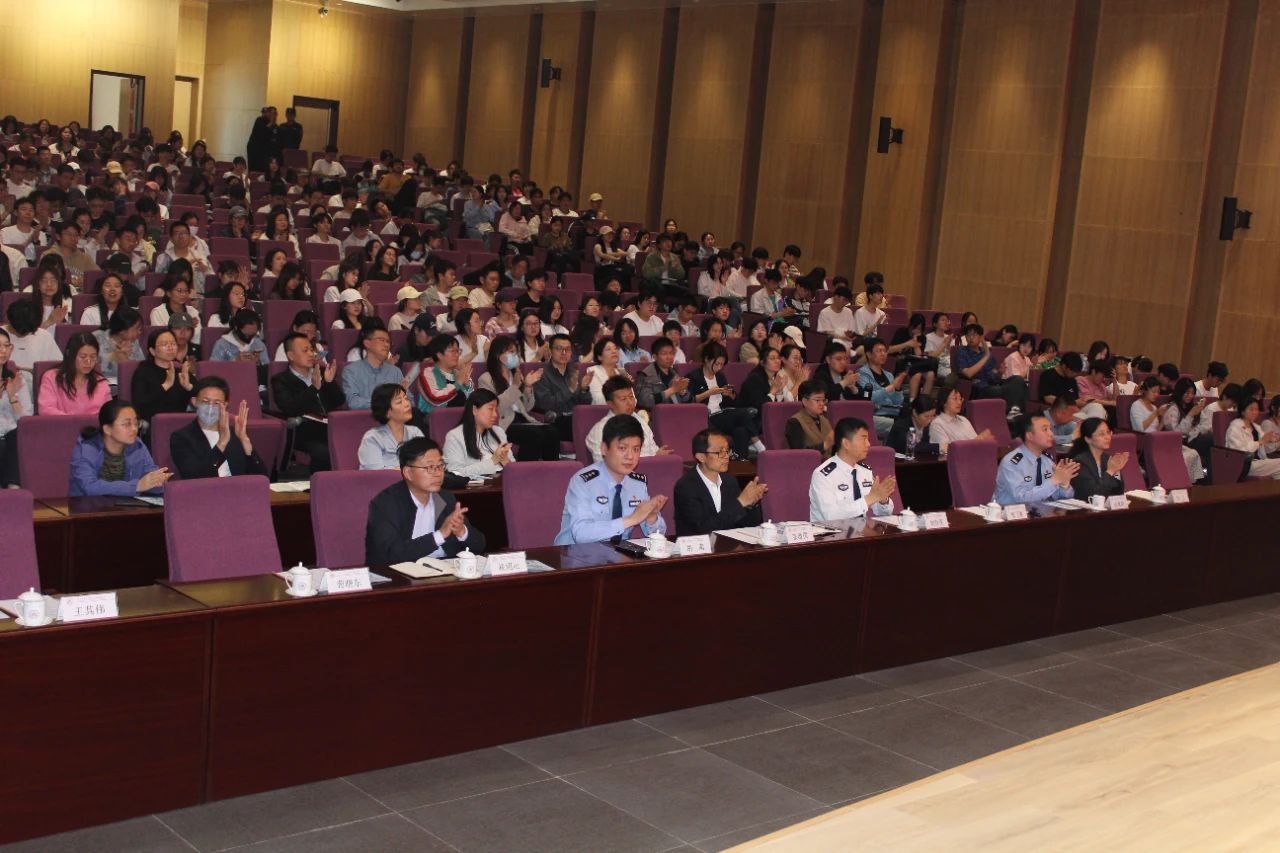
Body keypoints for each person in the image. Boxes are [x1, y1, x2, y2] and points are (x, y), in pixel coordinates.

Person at [365, 437, 487, 563]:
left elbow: (479, 546)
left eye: (440, 466)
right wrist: (439, 535)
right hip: (403, 571)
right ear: (408, 472)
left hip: (445, 570)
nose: (438, 473)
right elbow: (390, 554)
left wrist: (462, 532)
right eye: (429, 467)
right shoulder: (386, 503)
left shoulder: (444, 498)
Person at [554, 415, 668, 545]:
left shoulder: (637, 483)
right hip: (574, 553)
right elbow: (580, 533)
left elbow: (659, 534)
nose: (630, 456)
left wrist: (651, 516)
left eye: (636, 449)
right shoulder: (584, 481)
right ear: (604, 448)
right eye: (622, 448)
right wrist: (631, 519)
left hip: (616, 554)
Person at [270, 332, 345, 472]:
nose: (311, 354)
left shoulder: (321, 372)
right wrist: (313, 388)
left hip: (333, 427)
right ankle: (322, 484)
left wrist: (329, 383)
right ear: (291, 355)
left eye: (312, 349)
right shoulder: (281, 380)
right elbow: (290, 408)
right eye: (305, 351)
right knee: (325, 452)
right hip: (305, 431)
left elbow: (339, 401)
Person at [477, 336, 559, 460]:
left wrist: (528, 386)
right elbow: (494, 408)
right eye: (511, 352)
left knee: (552, 431)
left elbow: (527, 407)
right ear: (499, 355)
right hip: (503, 423)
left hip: (522, 420)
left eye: (516, 352)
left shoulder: (516, 376)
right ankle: (523, 470)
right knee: (534, 435)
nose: (515, 356)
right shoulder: (486, 379)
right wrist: (515, 387)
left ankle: (552, 469)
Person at [673, 429, 769, 535]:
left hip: (728, 542)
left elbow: (746, 524)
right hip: (697, 544)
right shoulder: (686, 487)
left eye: (727, 451)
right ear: (701, 457)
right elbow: (702, 529)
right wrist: (740, 502)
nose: (726, 456)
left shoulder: (729, 481)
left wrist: (751, 503)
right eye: (719, 452)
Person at [69, 399, 172, 497]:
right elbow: (89, 487)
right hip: (87, 506)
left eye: (136, 423)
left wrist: (158, 482)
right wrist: (136, 486)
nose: (134, 429)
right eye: (127, 424)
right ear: (107, 429)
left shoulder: (138, 445)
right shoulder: (86, 449)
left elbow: (148, 477)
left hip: (126, 506)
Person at [170, 376, 266, 479]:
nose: (210, 407)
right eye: (205, 401)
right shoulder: (181, 438)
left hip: (238, 487)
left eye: (217, 403)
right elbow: (194, 476)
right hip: (206, 489)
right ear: (195, 401)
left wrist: (245, 441)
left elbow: (262, 476)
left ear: (225, 405)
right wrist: (221, 443)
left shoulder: (236, 434)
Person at [808, 417, 896, 523]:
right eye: (863, 439)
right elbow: (831, 516)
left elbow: (884, 513)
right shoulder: (823, 475)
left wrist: (882, 499)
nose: (868, 444)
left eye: (868, 439)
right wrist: (870, 498)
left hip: (860, 530)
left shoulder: (865, 471)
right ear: (846, 443)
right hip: (830, 532)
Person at [686, 341, 759, 459]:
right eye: (716, 364)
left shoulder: (720, 377)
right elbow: (689, 401)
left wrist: (730, 394)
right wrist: (709, 393)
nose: (719, 367)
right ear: (706, 359)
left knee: (741, 431)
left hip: (722, 415)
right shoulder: (693, 377)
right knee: (743, 414)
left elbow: (733, 402)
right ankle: (759, 445)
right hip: (708, 417)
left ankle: (741, 462)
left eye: (721, 364)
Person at [993, 414, 1079, 505]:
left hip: (1041, 511)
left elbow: (1055, 496)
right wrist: (1053, 481)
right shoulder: (1012, 463)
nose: (1051, 434)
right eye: (1045, 429)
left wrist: (1064, 485)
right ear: (1030, 436)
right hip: (1012, 512)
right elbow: (1021, 497)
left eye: (1050, 429)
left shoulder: (1047, 461)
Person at [586, 376, 669, 461]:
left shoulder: (639, 420)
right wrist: (653, 458)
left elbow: (652, 450)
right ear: (610, 404)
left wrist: (658, 455)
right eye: (623, 399)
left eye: (631, 397)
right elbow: (605, 465)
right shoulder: (601, 430)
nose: (629, 402)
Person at [953, 323, 1027, 415]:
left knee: (1018, 380)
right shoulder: (962, 352)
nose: (971, 338)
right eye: (968, 335)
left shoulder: (985, 352)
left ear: (980, 337)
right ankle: (1009, 413)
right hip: (979, 387)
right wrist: (985, 357)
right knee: (1000, 390)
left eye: (974, 335)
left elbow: (994, 373)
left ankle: (1015, 412)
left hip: (993, 384)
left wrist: (999, 372)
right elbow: (968, 373)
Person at [442, 388, 512, 478]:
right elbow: (455, 474)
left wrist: (506, 462)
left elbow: (514, 470)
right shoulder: (454, 437)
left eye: (496, 410)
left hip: (503, 483)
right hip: (475, 487)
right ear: (475, 410)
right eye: (490, 409)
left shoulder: (499, 432)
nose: (495, 414)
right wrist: (493, 461)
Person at [131, 329, 194, 425]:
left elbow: (201, 396)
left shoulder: (181, 372)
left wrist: (189, 387)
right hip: (154, 424)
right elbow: (139, 405)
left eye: (173, 344)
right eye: (164, 344)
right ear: (152, 351)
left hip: (181, 423)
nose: (170, 347)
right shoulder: (143, 372)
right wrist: (165, 385)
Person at [38, 332, 110, 416]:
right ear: (69, 354)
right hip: (61, 424)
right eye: (83, 357)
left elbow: (108, 414)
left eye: (93, 357)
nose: (88, 362)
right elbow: (46, 410)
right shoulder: (51, 377)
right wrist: (74, 421)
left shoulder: (101, 383)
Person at [359, 384, 425, 470]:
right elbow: (374, 473)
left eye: (406, 399)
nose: (407, 404)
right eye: (399, 402)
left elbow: (425, 461)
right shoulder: (372, 438)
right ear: (386, 411)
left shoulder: (415, 432)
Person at [341, 326, 404, 410]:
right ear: (367, 343)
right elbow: (353, 402)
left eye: (388, 342)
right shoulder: (351, 371)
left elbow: (410, 401)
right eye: (381, 340)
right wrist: (386, 402)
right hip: (363, 417)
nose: (386, 345)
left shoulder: (395, 371)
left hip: (392, 417)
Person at [413, 334, 473, 419]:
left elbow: (471, 401)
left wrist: (467, 385)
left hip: (461, 419)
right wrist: (458, 383)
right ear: (439, 354)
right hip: (434, 420)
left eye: (458, 351)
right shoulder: (427, 373)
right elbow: (435, 399)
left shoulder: (458, 373)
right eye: (452, 351)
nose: (456, 355)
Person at [1068, 418, 1129, 500]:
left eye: (1108, 432)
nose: (1107, 437)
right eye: (1101, 434)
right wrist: (1110, 471)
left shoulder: (1107, 458)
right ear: (1088, 439)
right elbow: (1094, 495)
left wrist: (1116, 472)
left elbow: (1118, 492)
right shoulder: (1079, 462)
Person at [0, 328, 29, 486]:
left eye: (7, 346)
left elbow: (25, 420)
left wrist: (12, 397)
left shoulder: (16, 380)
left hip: (11, 437)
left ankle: (14, 489)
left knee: (15, 436)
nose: (3, 351)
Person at [1227, 398, 1280, 478]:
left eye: (1257, 409)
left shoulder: (1256, 427)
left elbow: (1266, 441)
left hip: (1258, 461)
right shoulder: (1235, 427)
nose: (1255, 412)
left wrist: (1272, 439)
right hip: (1243, 464)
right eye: (1251, 409)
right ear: (1242, 411)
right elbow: (1240, 452)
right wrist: (1260, 442)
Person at [930, 386, 994, 454]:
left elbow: (976, 441)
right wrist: (977, 441)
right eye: (955, 399)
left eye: (960, 399)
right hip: (958, 459)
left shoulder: (964, 420)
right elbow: (944, 450)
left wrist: (984, 441)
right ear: (944, 402)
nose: (959, 402)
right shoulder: (937, 424)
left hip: (976, 456)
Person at [634, 337, 690, 410]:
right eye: (664, 354)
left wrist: (682, 392)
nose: (669, 357)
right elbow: (645, 402)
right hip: (657, 414)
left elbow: (689, 401)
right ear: (655, 357)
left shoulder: (675, 374)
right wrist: (672, 390)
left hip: (678, 412)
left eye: (671, 353)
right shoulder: (645, 375)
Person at [785, 380, 834, 456]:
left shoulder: (825, 420)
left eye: (823, 400)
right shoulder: (795, 422)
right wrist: (824, 445)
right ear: (805, 401)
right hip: (810, 463)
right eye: (817, 400)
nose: (822, 404)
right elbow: (799, 453)